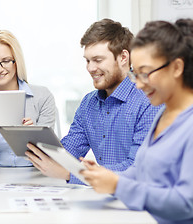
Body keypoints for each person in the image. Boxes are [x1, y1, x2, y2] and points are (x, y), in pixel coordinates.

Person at [80, 19, 193, 224]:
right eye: (135, 74)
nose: (138, 85)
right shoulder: (163, 114)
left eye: (145, 73)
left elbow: (187, 204)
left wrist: (117, 186)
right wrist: (103, 175)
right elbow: (140, 170)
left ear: (176, 67)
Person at [26, 19, 160, 184]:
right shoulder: (89, 104)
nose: (90, 68)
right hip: (104, 198)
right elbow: (68, 152)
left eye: (98, 60)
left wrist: (70, 174)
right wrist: (37, 139)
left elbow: (137, 169)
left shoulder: (149, 100)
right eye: (87, 60)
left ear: (123, 57)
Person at [0, 30, 56, 169]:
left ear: (16, 62)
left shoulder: (42, 96)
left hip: (35, 177)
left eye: (5, 61)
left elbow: (49, 153)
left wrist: (33, 137)